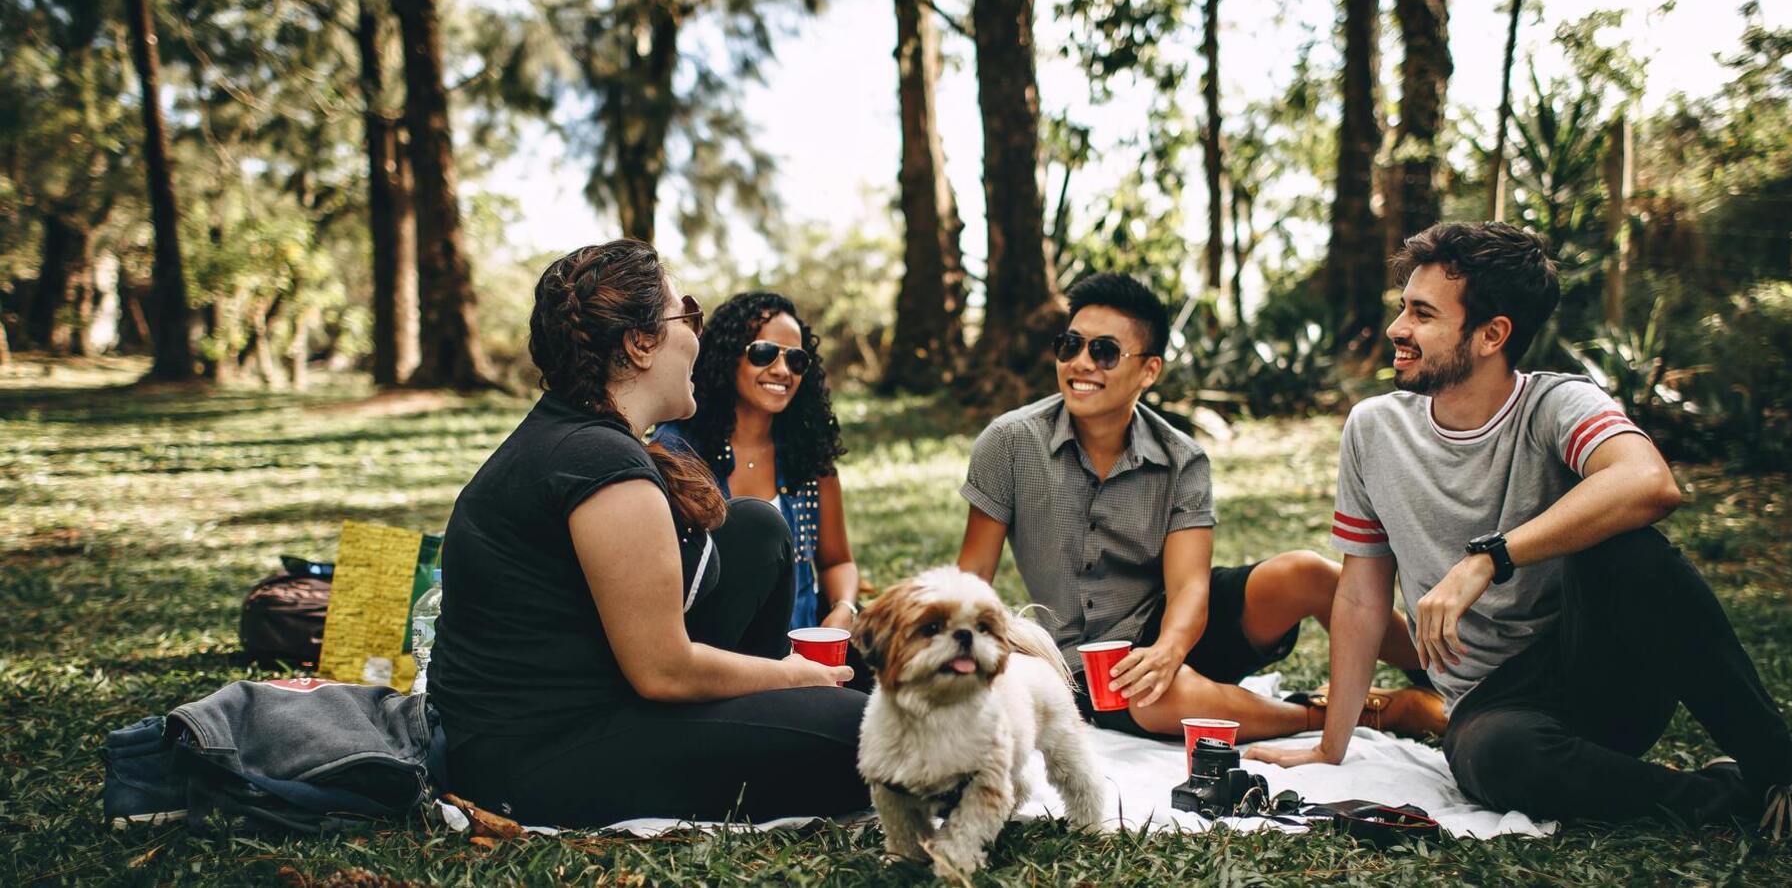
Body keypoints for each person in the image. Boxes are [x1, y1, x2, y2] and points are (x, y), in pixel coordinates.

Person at [1247, 222, 1792, 857]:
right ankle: (1748, 795)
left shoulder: (1556, 403)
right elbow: (1361, 596)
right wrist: (1331, 747)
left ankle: (1789, 776)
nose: (1398, 328)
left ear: (1492, 334)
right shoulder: (1374, 430)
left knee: (1629, 547)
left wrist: (1490, 557)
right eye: (1404, 307)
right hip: (1493, 707)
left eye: (1423, 314)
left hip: (1600, 670)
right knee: (1496, 760)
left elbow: (1648, 482)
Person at [428, 239, 868, 827]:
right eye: (688, 315)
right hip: (538, 757)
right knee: (868, 733)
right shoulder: (598, 463)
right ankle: (782, 714)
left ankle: (772, 713)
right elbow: (664, 671)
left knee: (756, 528)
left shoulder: (581, 436)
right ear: (640, 344)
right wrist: (793, 676)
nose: (697, 337)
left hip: (591, 700)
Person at [956, 272, 1443, 742]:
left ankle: (1448, 676)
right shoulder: (1009, 443)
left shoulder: (1182, 458)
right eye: (1070, 345)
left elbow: (1190, 585)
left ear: (1149, 370)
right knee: (1156, 699)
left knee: (1306, 573)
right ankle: (1358, 712)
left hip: (1177, 625)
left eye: (1103, 351)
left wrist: (1168, 650)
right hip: (1087, 664)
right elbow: (972, 576)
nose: (1081, 363)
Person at [652, 292, 860, 637]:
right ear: (727, 356)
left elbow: (837, 561)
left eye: (796, 359)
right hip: (716, 650)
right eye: (764, 353)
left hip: (804, 647)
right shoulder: (677, 450)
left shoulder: (808, 453)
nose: (782, 370)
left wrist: (843, 609)